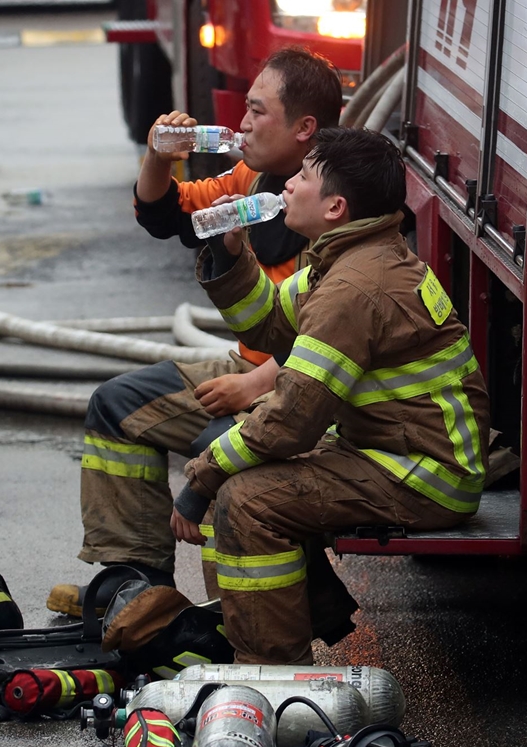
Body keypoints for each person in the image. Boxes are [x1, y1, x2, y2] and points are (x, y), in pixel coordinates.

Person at [47, 48, 358, 643]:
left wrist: (256, 383)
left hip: (312, 399)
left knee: (218, 452)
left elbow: (340, 339)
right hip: (250, 373)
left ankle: (236, 628)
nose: (239, 124)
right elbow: (166, 216)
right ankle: (136, 590)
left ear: (304, 129)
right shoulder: (253, 180)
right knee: (117, 406)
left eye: (255, 110)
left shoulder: (338, 204)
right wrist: (158, 156)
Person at [170, 127, 491, 665]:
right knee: (240, 482)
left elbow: (292, 419)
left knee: (249, 500)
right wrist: (233, 254)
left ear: (336, 207)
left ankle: (271, 674)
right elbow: (269, 326)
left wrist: (200, 476)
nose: (287, 185)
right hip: (391, 450)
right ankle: (263, 634)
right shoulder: (349, 260)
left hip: (426, 473)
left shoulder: (353, 288)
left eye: (303, 177)